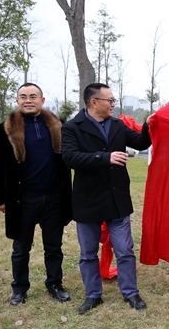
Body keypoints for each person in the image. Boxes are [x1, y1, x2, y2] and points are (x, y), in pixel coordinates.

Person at [62, 83, 151, 314]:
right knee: (88, 254)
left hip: (116, 199)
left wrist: (149, 125)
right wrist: (105, 158)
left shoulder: (117, 125)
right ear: (94, 102)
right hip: (88, 200)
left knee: (125, 250)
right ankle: (93, 295)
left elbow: (141, 142)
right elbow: (70, 158)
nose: (113, 104)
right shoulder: (72, 127)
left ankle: (130, 293)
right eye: (109, 100)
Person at [0, 82, 73, 305]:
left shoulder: (58, 126)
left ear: (42, 100)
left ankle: (55, 284)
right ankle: (19, 288)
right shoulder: (4, 130)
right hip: (22, 199)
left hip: (53, 198)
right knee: (20, 248)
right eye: (23, 96)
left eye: (33, 96)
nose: (28, 100)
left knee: (54, 247)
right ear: (17, 100)